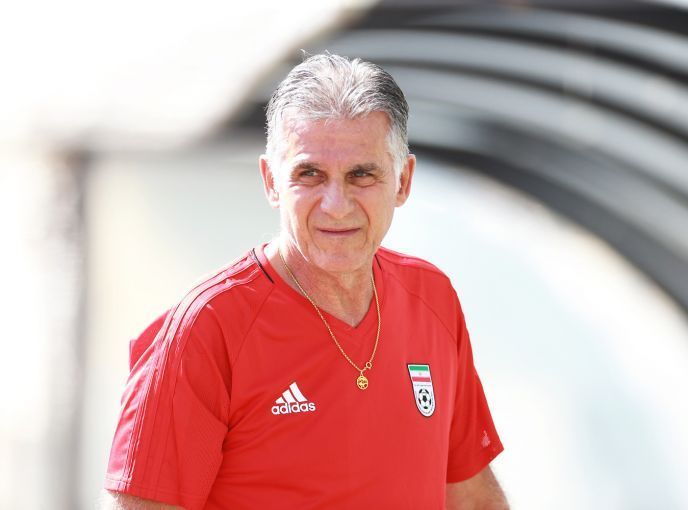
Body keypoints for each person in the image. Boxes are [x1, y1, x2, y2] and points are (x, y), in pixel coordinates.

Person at [101, 53, 508, 509]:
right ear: (271, 181)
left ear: (403, 181)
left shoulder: (432, 298)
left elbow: (473, 499)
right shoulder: (204, 330)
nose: (336, 204)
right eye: (310, 174)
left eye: (361, 175)